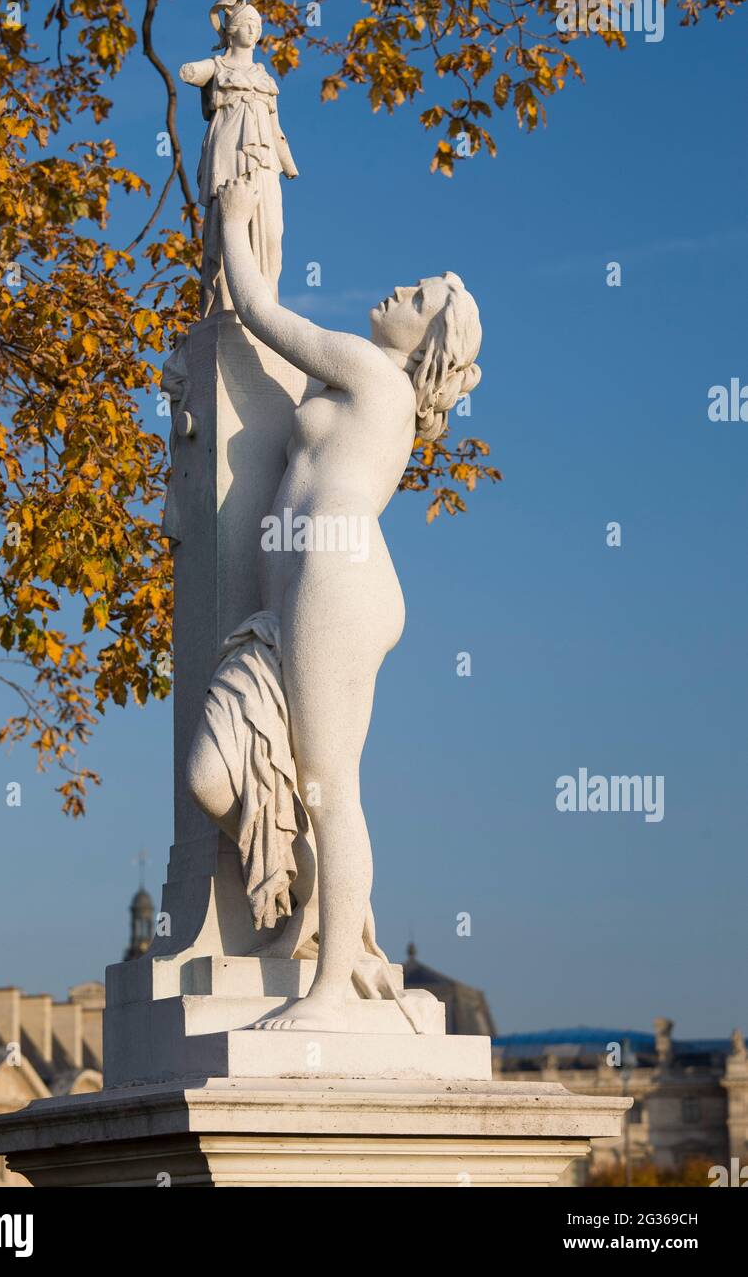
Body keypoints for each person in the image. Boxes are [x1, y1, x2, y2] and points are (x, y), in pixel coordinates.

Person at [187, 172, 482, 1032]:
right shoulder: (368, 384)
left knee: (328, 785)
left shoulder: (367, 370)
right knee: (283, 777)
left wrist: (237, 222)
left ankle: (327, 989)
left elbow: (264, 314)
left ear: (425, 337)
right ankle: (315, 932)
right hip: (314, 586)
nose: (399, 290)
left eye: (418, 297)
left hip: (335, 579)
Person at [179, 0, 298, 317]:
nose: (255, 30)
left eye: (258, 24)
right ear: (232, 30)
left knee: (272, 234)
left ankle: (265, 308)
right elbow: (188, 72)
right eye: (248, 23)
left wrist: (287, 163)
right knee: (229, 227)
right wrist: (203, 67)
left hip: (264, 160)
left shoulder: (264, 75)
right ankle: (227, 307)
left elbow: (276, 127)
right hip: (229, 153)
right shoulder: (217, 68)